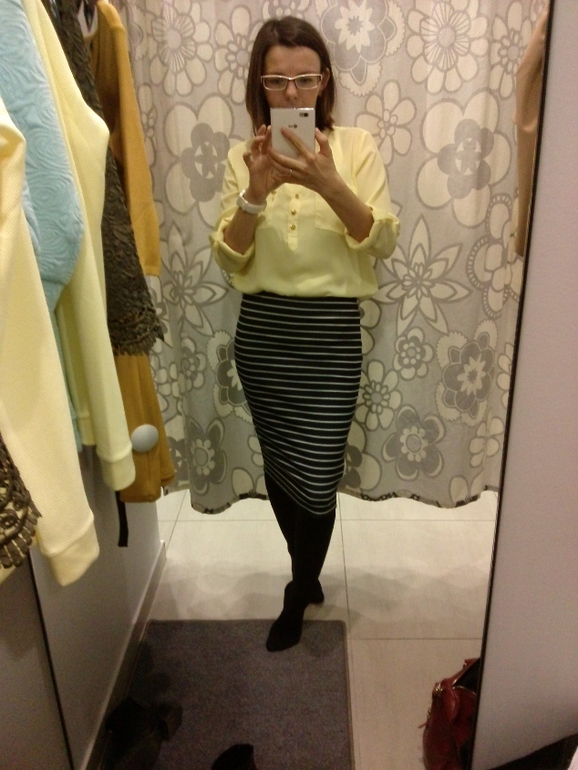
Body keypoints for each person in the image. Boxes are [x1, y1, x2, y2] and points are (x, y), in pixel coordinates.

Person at [210, 16, 399, 652]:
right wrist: (255, 193)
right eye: (277, 81)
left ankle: (298, 587)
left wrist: (329, 182)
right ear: (259, 86)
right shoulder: (244, 157)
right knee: (281, 466)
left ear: (324, 82)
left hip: (329, 334)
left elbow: (380, 239)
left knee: (318, 480)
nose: (291, 93)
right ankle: (306, 573)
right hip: (265, 335)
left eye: (304, 79)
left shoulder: (356, 147)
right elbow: (229, 255)